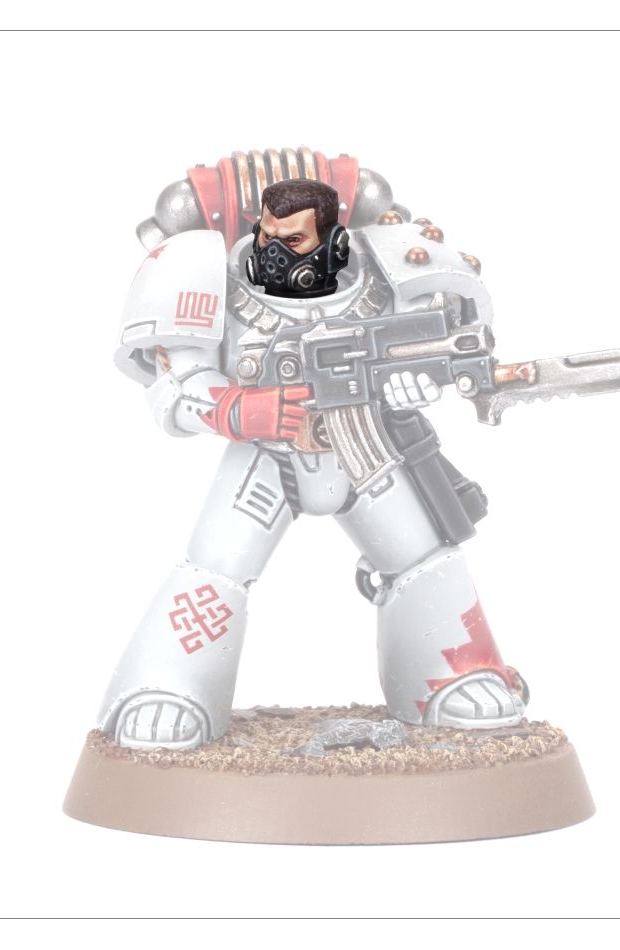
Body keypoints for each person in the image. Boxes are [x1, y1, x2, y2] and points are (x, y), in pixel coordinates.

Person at [100, 176, 526, 750]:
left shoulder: (384, 278)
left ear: (335, 240)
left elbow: (431, 351)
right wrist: (237, 408)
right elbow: (177, 385)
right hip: (267, 457)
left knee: (423, 556)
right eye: (267, 236)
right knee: (215, 567)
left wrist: (410, 385)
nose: (276, 252)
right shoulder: (211, 281)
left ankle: (451, 672)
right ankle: (172, 685)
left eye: (295, 239)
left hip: (366, 451)